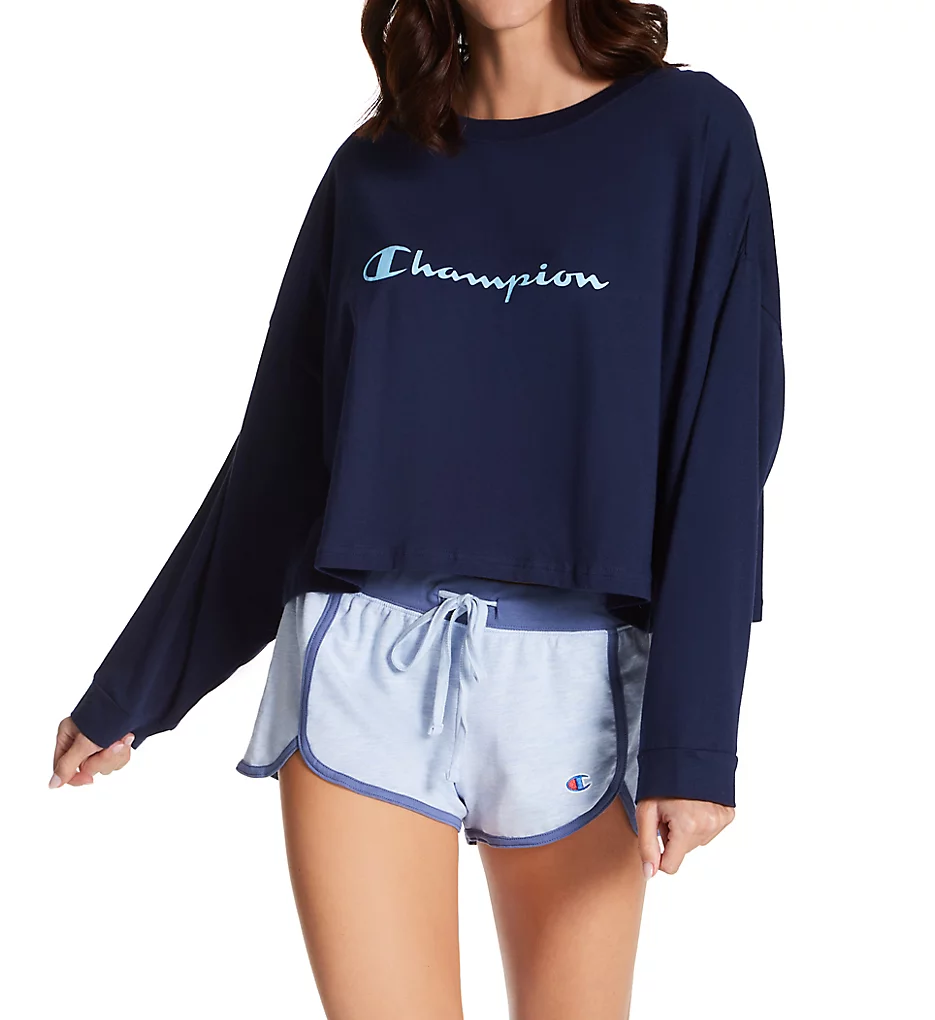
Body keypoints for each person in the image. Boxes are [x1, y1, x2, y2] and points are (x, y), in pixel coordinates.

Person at [49, 2, 785, 1017]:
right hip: (362, 663)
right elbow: (282, 456)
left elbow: (723, 443)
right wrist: (138, 683)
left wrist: (692, 739)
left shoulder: (689, 133)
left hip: (578, 681)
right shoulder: (375, 167)